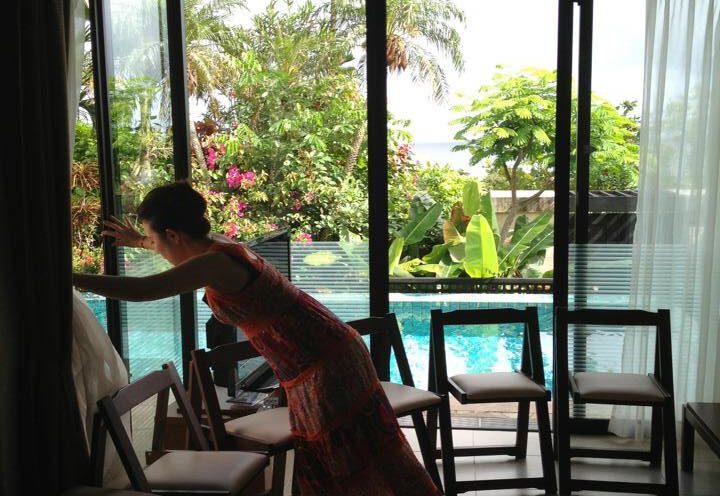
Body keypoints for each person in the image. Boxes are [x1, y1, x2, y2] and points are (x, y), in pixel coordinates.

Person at [73, 181, 441, 496]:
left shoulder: (213, 264)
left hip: (325, 367)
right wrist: (140, 242)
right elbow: (166, 249)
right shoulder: (218, 246)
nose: (155, 246)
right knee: (363, 458)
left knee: (353, 465)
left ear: (174, 235)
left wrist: (69, 277)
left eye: (156, 239)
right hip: (327, 356)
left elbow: (142, 290)